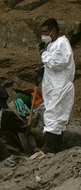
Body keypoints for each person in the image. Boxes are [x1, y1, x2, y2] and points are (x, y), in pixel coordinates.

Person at [39, 18, 75, 153]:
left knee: (52, 115)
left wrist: (44, 55)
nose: (43, 35)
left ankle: (49, 147)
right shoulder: (51, 45)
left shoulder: (62, 43)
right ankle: (56, 148)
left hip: (60, 86)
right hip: (54, 86)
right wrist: (43, 69)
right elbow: (50, 65)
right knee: (57, 116)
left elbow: (58, 62)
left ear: (53, 31)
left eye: (45, 32)